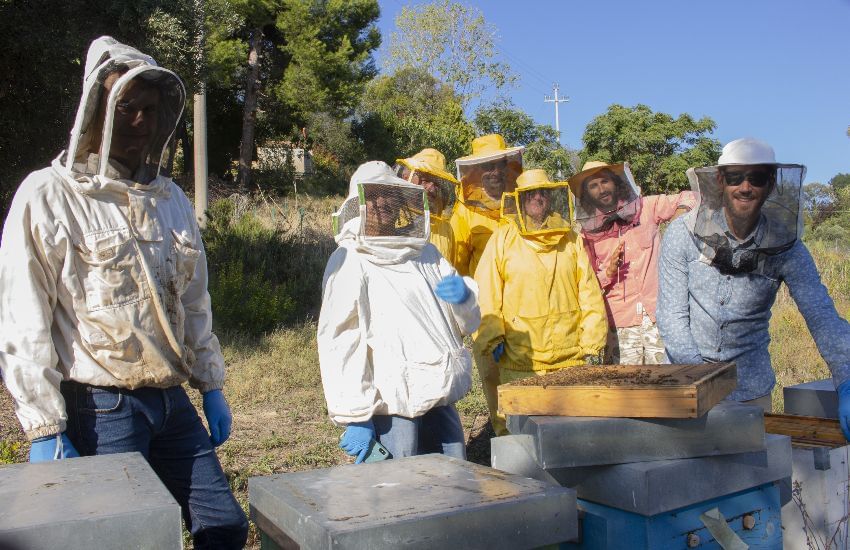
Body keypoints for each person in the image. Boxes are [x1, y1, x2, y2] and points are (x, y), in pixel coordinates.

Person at [0, 37, 248, 548]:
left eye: (150, 111)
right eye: (127, 107)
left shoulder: (171, 200)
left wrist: (212, 384)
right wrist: (45, 424)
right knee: (130, 539)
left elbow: (194, 300)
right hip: (101, 405)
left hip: (170, 399)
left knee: (223, 525)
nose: (140, 121)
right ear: (95, 111)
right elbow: (23, 316)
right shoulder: (48, 195)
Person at [658, 138, 850, 436]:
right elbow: (672, 316)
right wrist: (701, 380)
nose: (745, 187)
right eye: (735, 177)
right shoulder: (682, 234)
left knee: (757, 475)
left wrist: (847, 377)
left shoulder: (788, 248)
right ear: (720, 181)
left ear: (771, 184)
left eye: (757, 178)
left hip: (751, 389)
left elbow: (822, 316)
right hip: (685, 383)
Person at [318, 161, 480, 462]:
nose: (382, 204)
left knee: (454, 487)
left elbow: (464, 321)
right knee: (399, 496)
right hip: (392, 405)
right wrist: (356, 414)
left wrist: (465, 298)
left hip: (440, 394)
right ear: (358, 204)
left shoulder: (426, 253)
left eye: (389, 196)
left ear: (401, 200)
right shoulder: (350, 258)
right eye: (375, 196)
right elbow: (340, 340)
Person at [474, 169, 608, 435]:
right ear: (520, 200)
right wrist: (492, 336)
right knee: (519, 432)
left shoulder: (570, 239)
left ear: (550, 198)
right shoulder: (503, 238)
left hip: (569, 358)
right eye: (530, 194)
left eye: (542, 193)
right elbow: (486, 292)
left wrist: (592, 338)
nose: (537, 198)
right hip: (521, 358)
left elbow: (588, 290)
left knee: (571, 434)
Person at [568, 161, 695, 364]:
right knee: (624, 390)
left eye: (604, 181)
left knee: (667, 385)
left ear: (616, 183)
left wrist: (677, 224)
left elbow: (691, 196)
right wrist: (608, 272)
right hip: (619, 323)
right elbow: (587, 285)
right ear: (587, 194)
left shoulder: (647, 207)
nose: (601, 189)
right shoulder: (586, 236)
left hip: (659, 316)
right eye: (593, 186)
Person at [450, 134, 523, 435]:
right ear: (476, 173)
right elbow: (456, 267)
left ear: (508, 168)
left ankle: (531, 432)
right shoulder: (464, 213)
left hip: (523, 306)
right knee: (493, 377)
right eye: (487, 167)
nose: (494, 172)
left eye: (498, 165)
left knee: (524, 373)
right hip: (486, 311)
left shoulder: (522, 202)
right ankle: (505, 437)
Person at [395, 148, 460, 263]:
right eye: (424, 180)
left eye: (436, 184)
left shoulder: (446, 228)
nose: (431, 188)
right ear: (406, 178)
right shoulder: (391, 216)